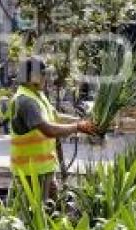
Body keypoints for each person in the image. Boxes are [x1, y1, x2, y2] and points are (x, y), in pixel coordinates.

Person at [9, 56, 96, 200]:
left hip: (45, 168)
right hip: (32, 172)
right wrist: (77, 127)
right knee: (37, 214)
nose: (46, 78)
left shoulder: (37, 95)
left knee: (52, 207)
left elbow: (55, 116)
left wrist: (84, 122)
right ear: (32, 77)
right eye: (43, 74)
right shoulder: (26, 101)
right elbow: (48, 130)